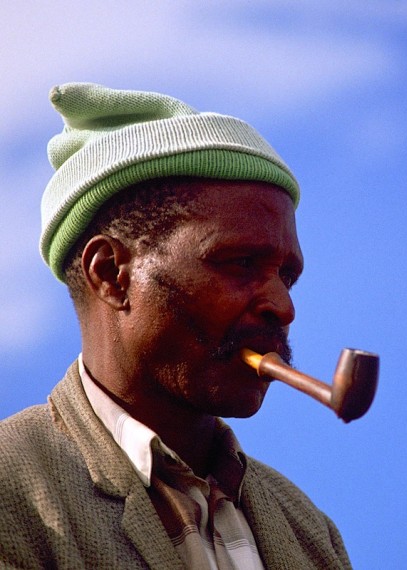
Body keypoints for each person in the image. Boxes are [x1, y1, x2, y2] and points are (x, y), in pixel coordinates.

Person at [0, 83, 352, 569]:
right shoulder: (11, 490)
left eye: (287, 276)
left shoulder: (309, 533)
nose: (282, 306)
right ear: (110, 273)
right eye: (240, 263)